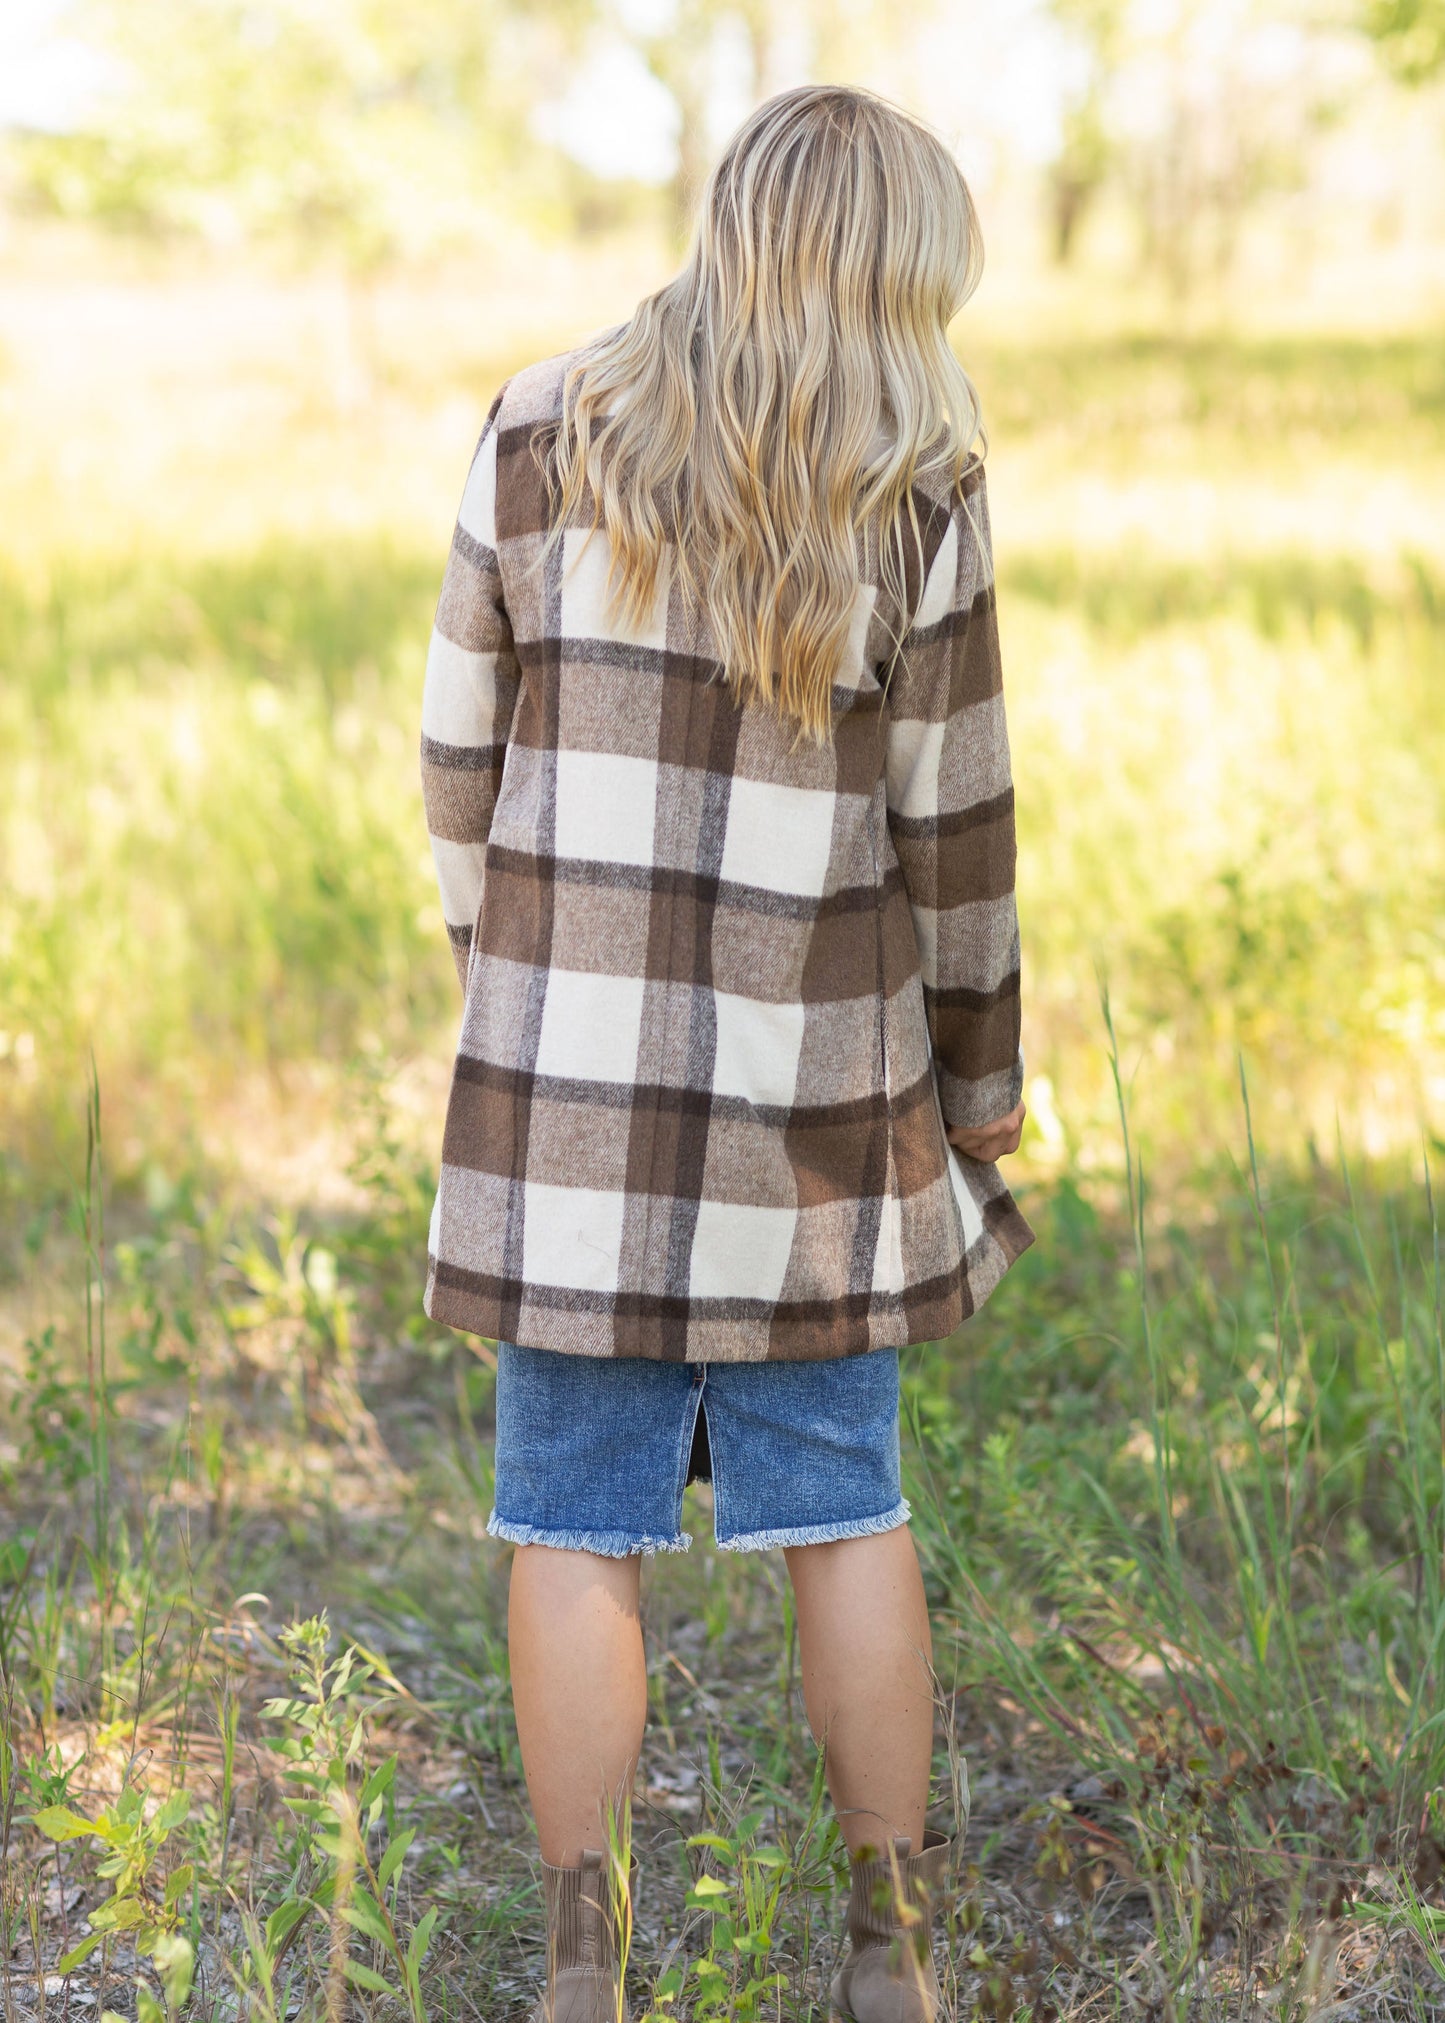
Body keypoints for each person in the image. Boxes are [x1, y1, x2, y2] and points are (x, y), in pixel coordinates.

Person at [418, 83, 1032, 2023]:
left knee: (570, 1521)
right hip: (821, 1132)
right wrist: (983, 1081)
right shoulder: (918, 488)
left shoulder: (536, 428)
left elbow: (458, 763)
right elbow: (959, 830)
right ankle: (885, 1951)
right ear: (882, 279)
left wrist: (509, 981)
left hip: (566, 1110)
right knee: (843, 1509)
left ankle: (583, 1967)